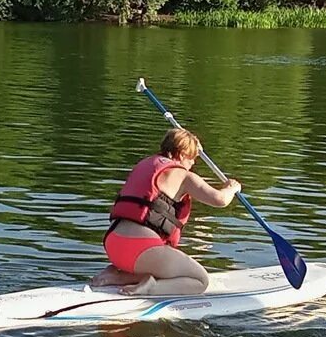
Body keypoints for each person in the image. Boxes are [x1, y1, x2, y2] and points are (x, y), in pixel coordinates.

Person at [92, 127, 243, 296]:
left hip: (113, 244)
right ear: (183, 154)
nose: (193, 163)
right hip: (141, 249)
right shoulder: (183, 176)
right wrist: (231, 188)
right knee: (200, 281)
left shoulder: (145, 164)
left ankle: (118, 275)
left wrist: (192, 144)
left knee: (162, 267)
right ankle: (151, 288)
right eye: (192, 158)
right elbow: (220, 200)